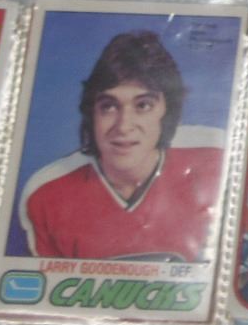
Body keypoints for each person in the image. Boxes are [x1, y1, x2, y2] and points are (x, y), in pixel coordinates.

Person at [18, 31, 225, 262]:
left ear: (167, 110)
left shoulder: (217, 158)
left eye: (143, 105)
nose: (124, 126)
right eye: (109, 106)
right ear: (91, 114)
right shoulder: (46, 194)